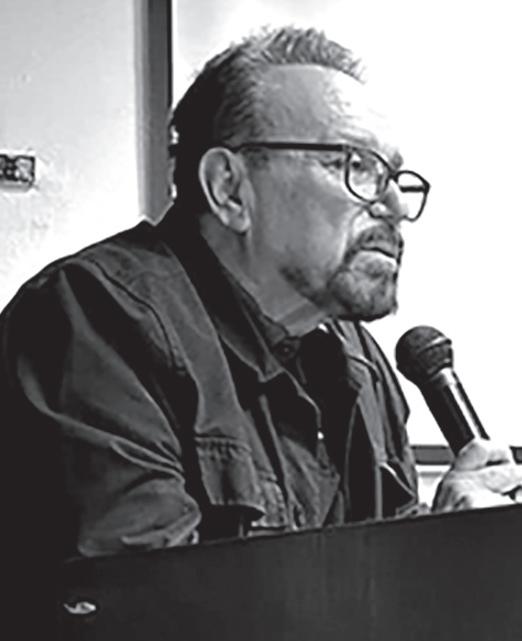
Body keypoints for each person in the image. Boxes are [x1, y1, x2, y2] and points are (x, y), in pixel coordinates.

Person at [2, 26, 521, 561]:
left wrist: (446, 545)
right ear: (229, 189)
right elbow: (150, 604)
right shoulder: (94, 320)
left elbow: (380, 574)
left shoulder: (359, 360)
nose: (394, 205)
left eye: (393, 175)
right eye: (354, 165)